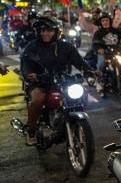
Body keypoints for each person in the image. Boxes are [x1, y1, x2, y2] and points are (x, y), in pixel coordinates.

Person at [20, 16, 94, 145]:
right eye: (42, 31)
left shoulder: (66, 46)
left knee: (81, 93)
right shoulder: (32, 47)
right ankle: (31, 130)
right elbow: (25, 64)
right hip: (39, 81)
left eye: (49, 30)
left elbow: (79, 61)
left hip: (61, 79)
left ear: (55, 31)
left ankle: (71, 120)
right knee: (38, 98)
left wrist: (88, 71)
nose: (45, 33)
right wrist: (29, 74)